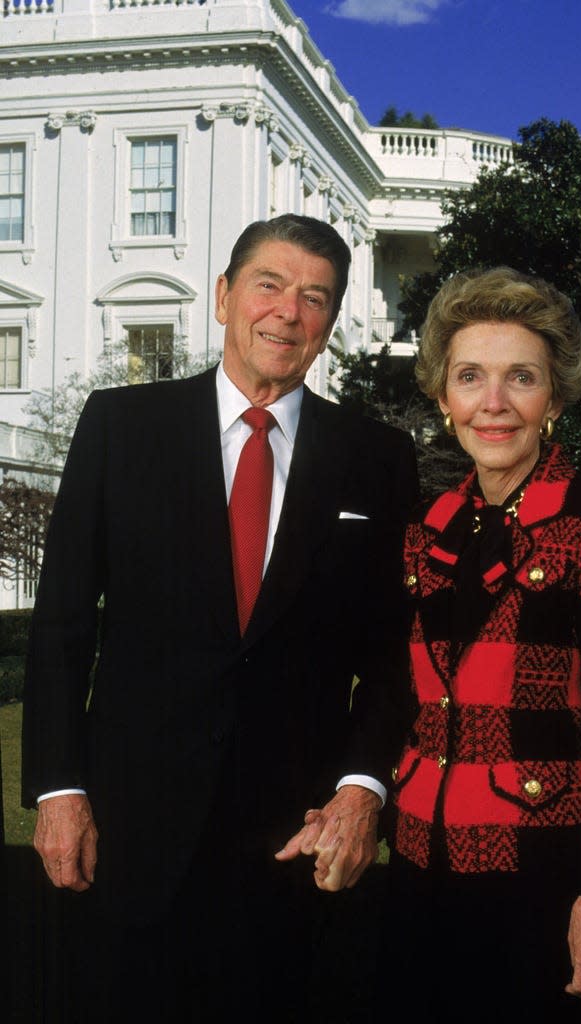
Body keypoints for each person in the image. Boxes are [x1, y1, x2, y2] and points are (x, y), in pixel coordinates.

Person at [21, 214, 419, 1023]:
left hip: (292, 835)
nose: (288, 312)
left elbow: (389, 652)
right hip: (127, 826)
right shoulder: (119, 426)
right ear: (223, 297)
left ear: (330, 325)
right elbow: (62, 624)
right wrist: (58, 789)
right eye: (269, 285)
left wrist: (361, 787)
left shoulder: (376, 456)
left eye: (315, 298)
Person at [375, 266, 581, 1023]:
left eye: (520, 378)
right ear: (442, 398)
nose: (493, 403)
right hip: (419, 866)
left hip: (543, 873)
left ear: (553, 398)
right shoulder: (426, 527)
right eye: (471, 377)